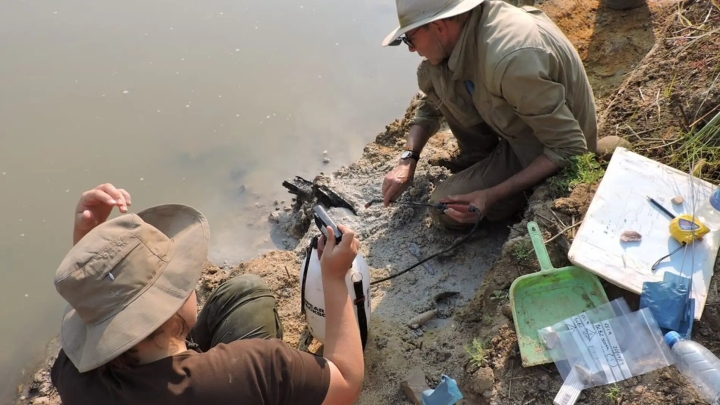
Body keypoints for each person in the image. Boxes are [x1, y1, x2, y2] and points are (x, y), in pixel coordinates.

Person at [50, 183, 364, 404]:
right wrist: (334, 279)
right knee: (251, 296)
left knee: (243, 291)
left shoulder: (73, 376)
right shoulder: (253, 370)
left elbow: (97, 307)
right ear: (169, 307)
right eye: (180, 277)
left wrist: (91, 246)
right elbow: (347, 383)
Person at [380, 0, 598, 230]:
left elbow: (569, 147)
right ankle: (482, 159)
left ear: (439, 26)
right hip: (528, 124)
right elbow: (432, 104)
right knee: (435, 73)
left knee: (445, 209)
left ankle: (514, 195)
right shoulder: (470, 26)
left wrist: (490, 195)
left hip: (553, 150)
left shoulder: (509, 59)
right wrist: (408, 158)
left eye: (410, 39)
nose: (411, 49)